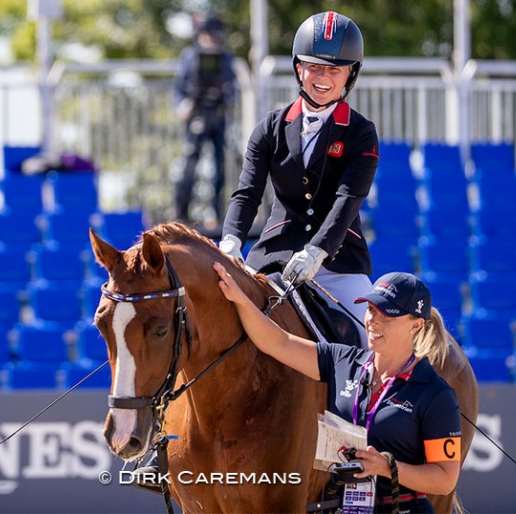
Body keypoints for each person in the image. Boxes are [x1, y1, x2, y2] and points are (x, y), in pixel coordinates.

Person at [213, 263, 462, 514]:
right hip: (344, 507)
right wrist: (239, 298)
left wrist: (386, 467)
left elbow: (444, 480)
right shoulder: (343, 361)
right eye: (371, 310)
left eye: (387, 314)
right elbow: (279, 342)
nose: (373, 321)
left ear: (416, 325)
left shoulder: (435, 393)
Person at [218, 11, 379, 345]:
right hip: (272, 258)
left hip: (337, 262)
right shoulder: (270, 128)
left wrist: (317, 251)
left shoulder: (362, 133)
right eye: (314, 67)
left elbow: (348, 199)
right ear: (298, 68)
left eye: (334, 69)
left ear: (350, 74)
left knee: (373, 339)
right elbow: (247, 194)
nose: (323, 77)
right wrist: (231, 241)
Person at [173, 13, 237, 227]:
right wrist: (183, 105)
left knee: (219, 165)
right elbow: (180, 87)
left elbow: (231, 86)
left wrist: (228, 100)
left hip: (218, 115)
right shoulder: (189, 56)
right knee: (190, 162)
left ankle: (216, 213)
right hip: (195, 114)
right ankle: (181, 212)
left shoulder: (225, 57)